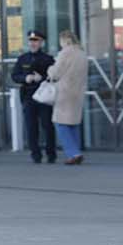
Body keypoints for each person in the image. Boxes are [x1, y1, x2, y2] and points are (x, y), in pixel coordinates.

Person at [12, 31, 57, 163]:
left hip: (44, 96)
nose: (33, 43)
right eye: (31, 41)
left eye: (36, 41)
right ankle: (35, 154)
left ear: (41, 42)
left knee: (47, 126)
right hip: (28, 96)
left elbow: (54, 77)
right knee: (31, 127)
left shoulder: (48, 59)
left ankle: (51, 153)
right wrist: (25, 78)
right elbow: (15, 75)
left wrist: (41, 78)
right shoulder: (23, 58)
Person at [49, 31, 88, 165]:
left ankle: (74, 153)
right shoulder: (82, 54)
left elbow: (55, 72)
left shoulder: (65, 53)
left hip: (64, 92)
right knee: (73, 123)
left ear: (65, 40)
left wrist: (50, 69)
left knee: (60, 123)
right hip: (78, 92)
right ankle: (75, 152)